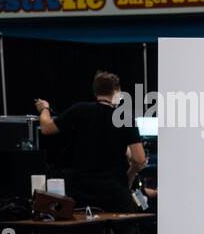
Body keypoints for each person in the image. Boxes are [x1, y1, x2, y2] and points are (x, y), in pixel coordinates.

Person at [34, 71, 145, 214]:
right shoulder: (124, 117)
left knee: (88, 233)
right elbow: (139, 159)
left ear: (95, 91)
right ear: (117, 92)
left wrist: (44, 108)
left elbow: (46, 128)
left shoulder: (79, 110)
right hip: (115, 192)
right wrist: (129, 177)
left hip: (83, 191)